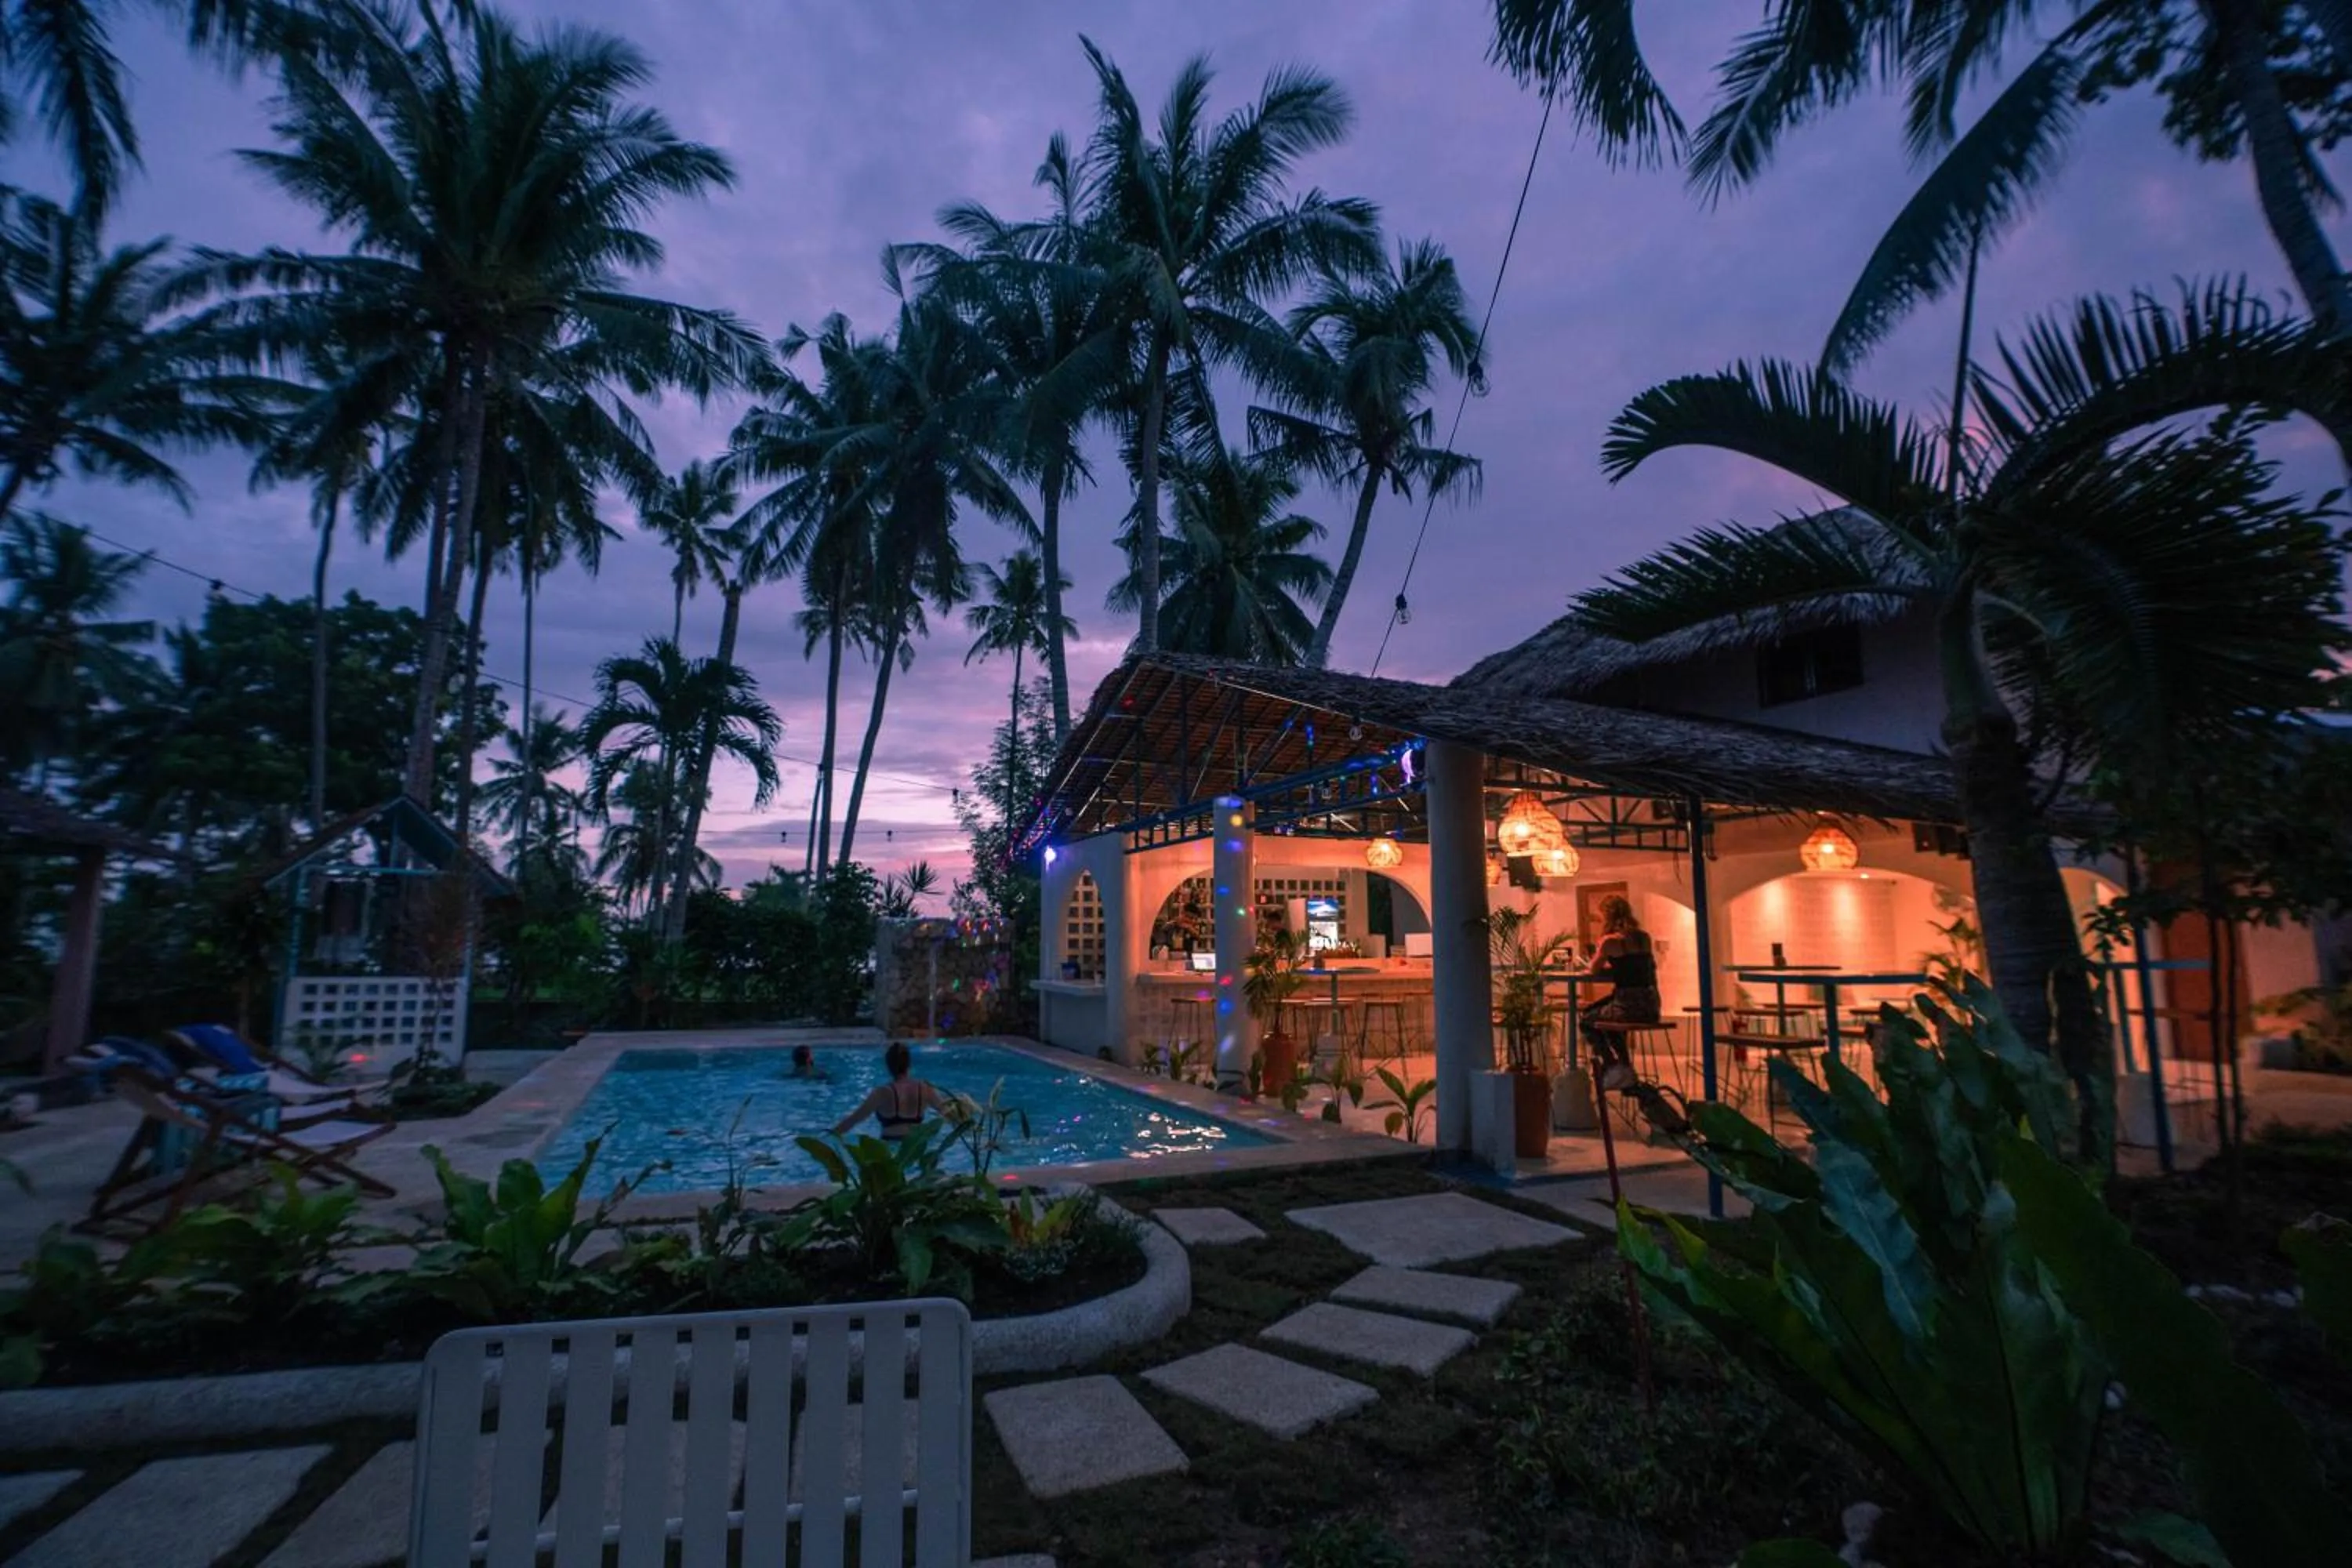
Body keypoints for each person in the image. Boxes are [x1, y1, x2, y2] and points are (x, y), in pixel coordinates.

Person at [1580, 895, 1661, 1091]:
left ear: (1608, 917)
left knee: (1587, 1020)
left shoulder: (1610, 942)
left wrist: (1596, 958)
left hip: (1626, 1005)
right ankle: (1625, 1067)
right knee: (1604, 1016)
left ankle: (1613, 1066)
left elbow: (1593, 970)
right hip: (1650, 1004)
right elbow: (1636, 967)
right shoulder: (1644, 937)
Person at [830, 1041, 946, 1141]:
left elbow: (853, 1121)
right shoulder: (925, 1089)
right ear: (909, 1064)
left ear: (888, 1066)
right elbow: (950, 1114)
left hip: (890, 1148)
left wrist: (829, 1135)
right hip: (915, 1149)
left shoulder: (882, 1093)